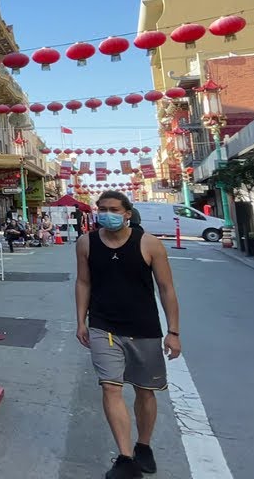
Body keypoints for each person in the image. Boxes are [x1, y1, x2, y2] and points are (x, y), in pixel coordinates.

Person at [75, 191, 181, 479]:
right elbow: (83, 282)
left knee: (145, 391)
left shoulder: (149, 244)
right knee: (111, 387)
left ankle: (143, 445)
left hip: (143, 328)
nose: (106, 214)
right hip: (103, 325)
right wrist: (81, 321)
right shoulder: (86, 242)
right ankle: (125, 457)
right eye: (101, 209)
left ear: (127, 213)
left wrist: (173, 331)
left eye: (113, 209)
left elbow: (166, 288)